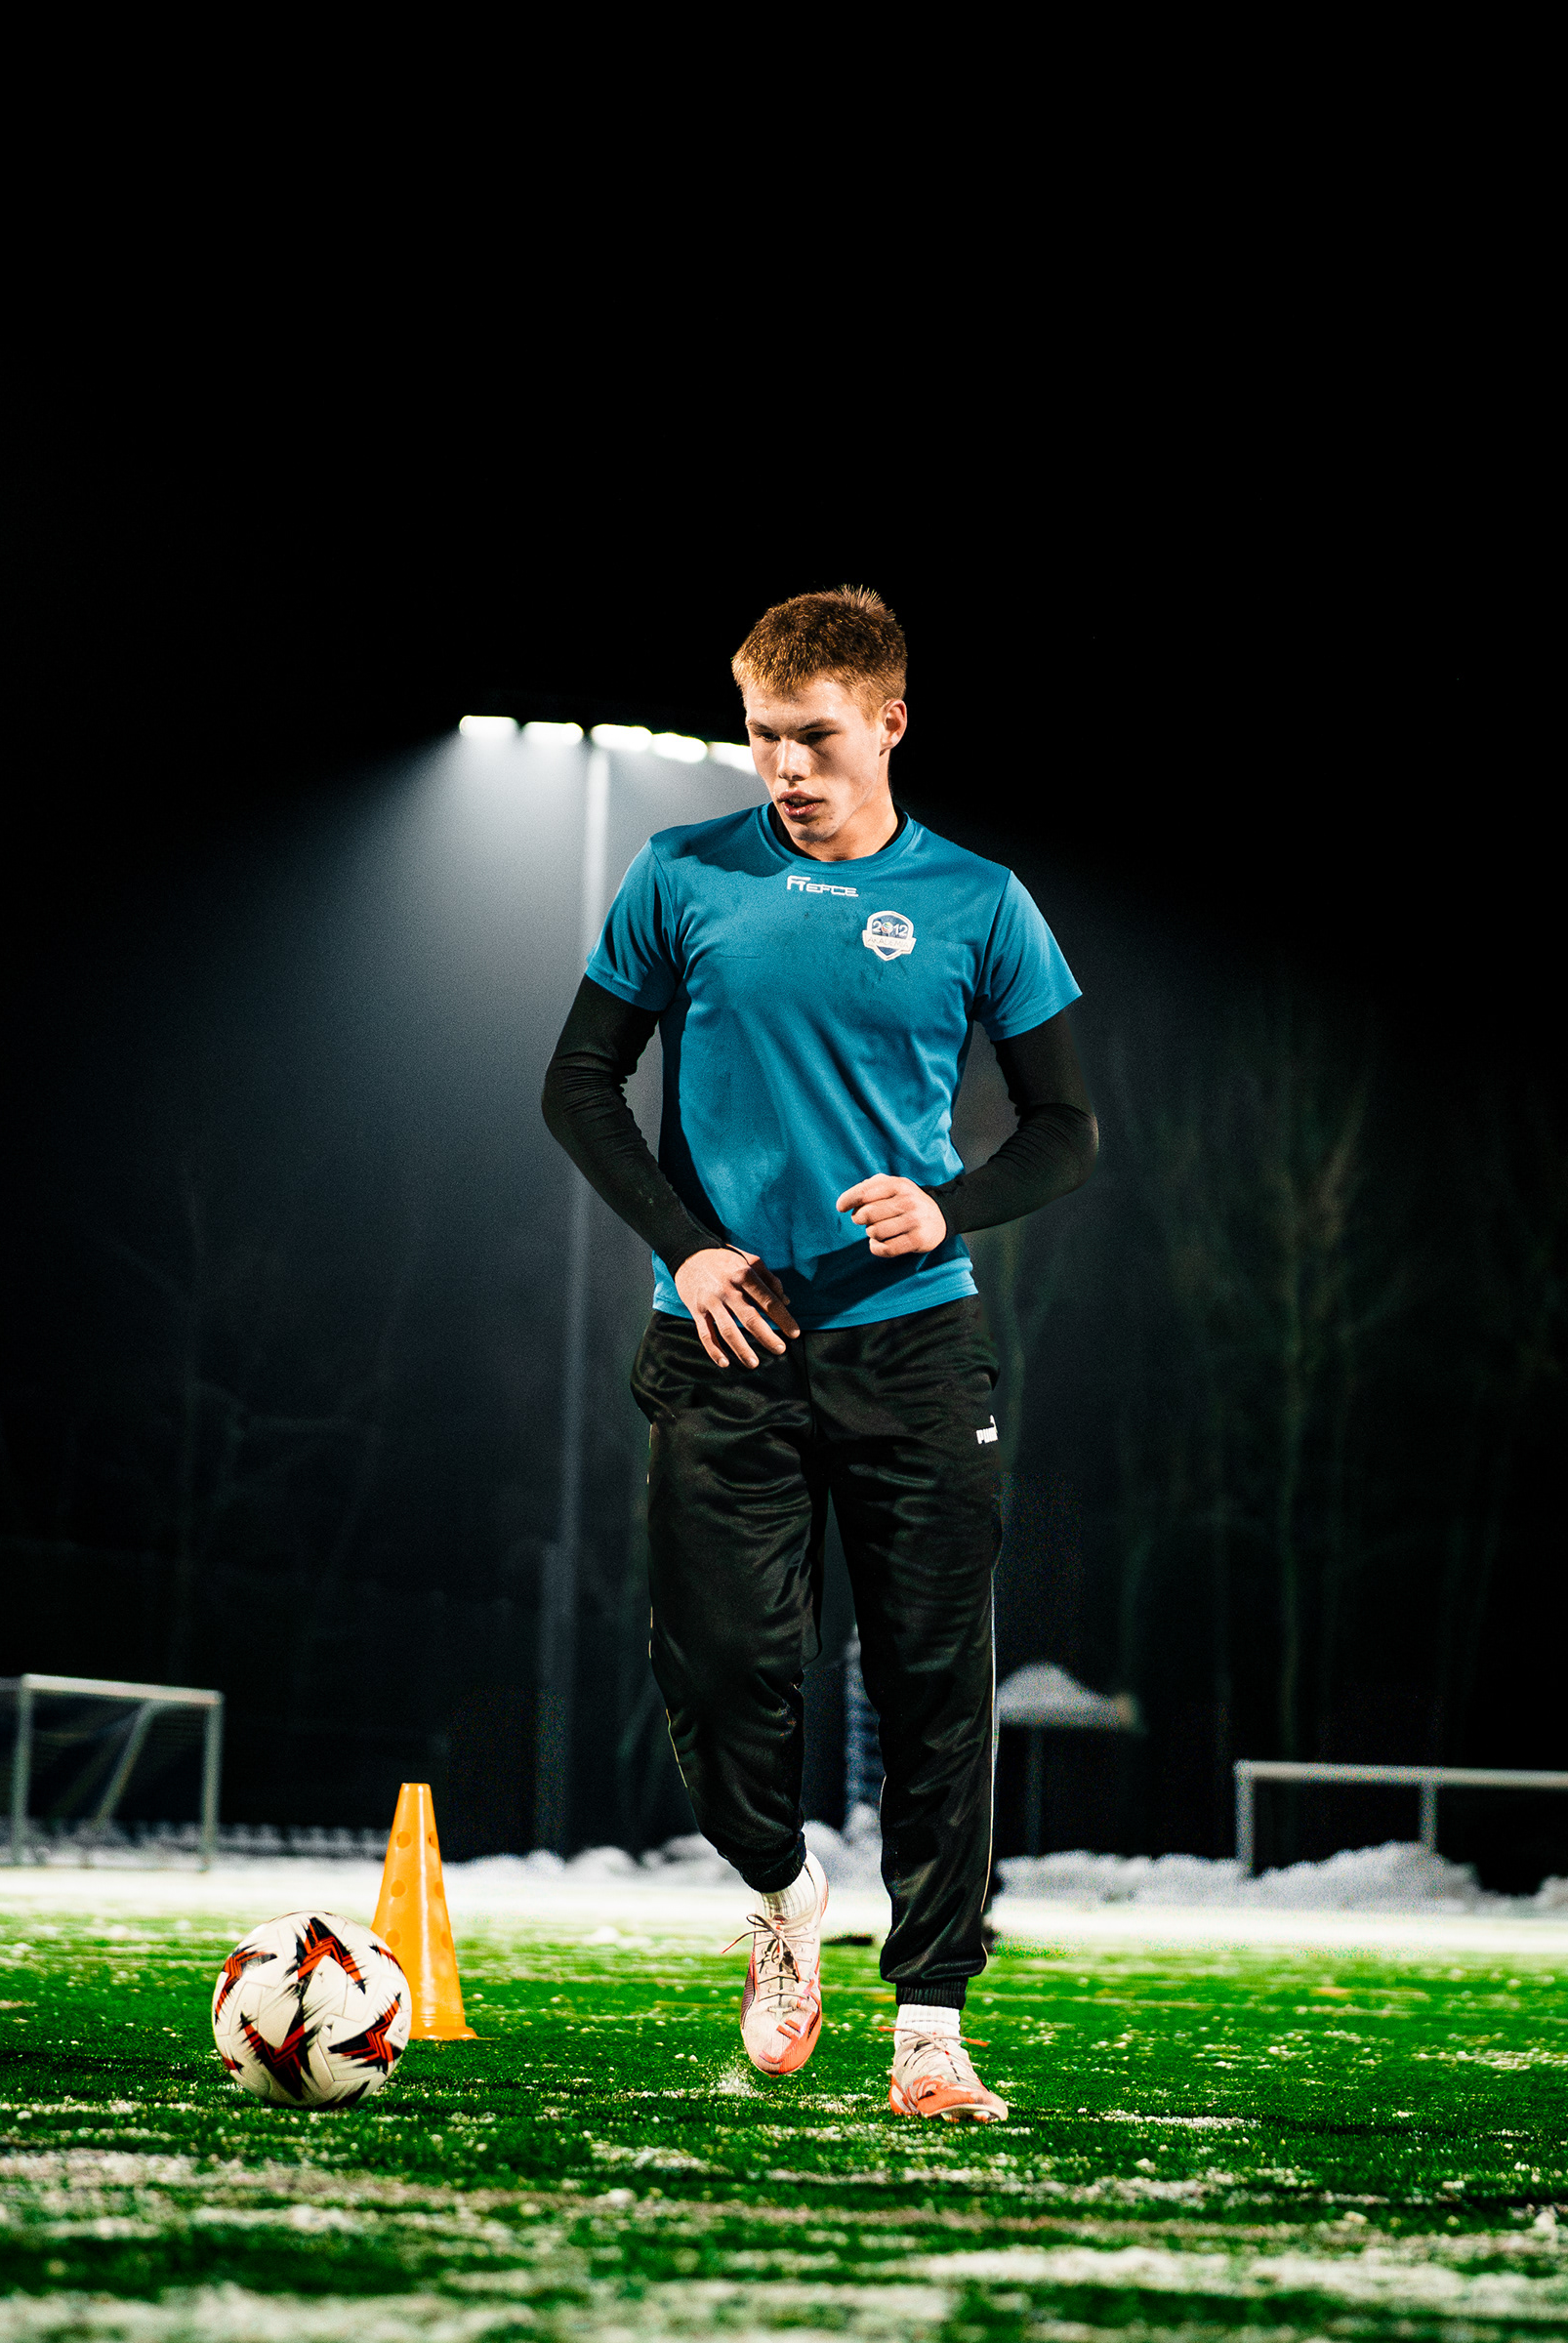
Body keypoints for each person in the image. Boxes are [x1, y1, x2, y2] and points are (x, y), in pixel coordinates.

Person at [542, 587, 1096, 2122]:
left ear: (891, 723)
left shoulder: (981, 902)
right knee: (720, 1674)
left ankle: (931, 2025)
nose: (785, 767)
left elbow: (1067, 1127)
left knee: (935, 1691)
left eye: (816, 737)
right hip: (720, 1340)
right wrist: (684, 1246)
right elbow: (579, 1084)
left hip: (914, 1349)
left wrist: (949, 1205)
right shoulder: (681, 876)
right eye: (763, 736)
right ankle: (785, 1897)